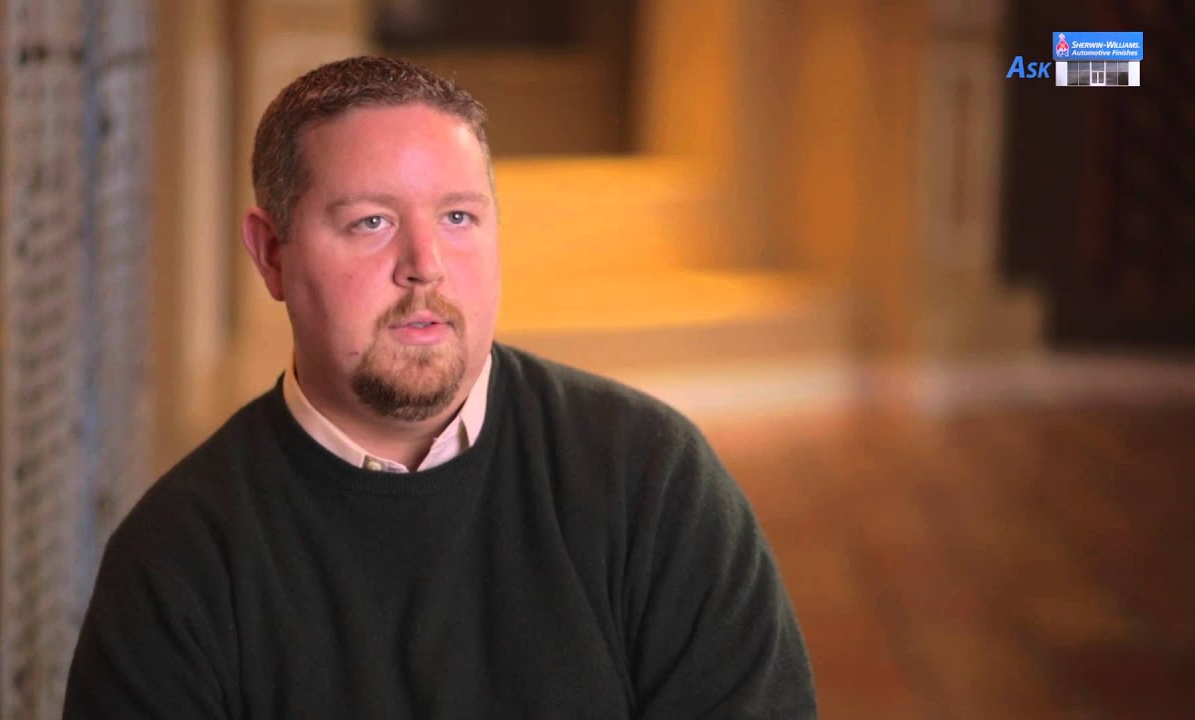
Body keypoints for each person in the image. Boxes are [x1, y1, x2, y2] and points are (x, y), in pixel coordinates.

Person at [64, 55, 816, 718]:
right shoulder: (179, 561)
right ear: (271, 255)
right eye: (370, 223)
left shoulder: (651, 478)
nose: (424, 265)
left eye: (459, 216)